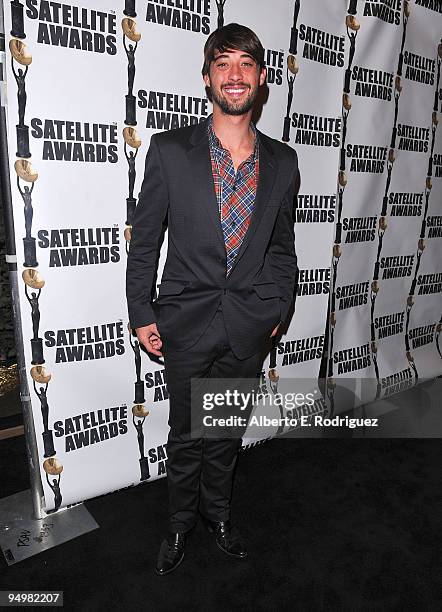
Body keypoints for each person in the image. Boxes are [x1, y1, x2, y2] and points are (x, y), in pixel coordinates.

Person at [126, 23, 300, 576]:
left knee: (224, 433)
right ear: (207, 78)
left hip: (249, 323)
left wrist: (279, 308)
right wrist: (142, 312)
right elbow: (146, 239)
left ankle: (218, 517)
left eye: (245, 64)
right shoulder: (170, 150)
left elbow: (282, 244)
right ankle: (179, 526)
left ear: (262, 79)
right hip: (186, 321)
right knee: (185, 436)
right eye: (223, 64)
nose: (234, 75)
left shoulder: (283, 161)